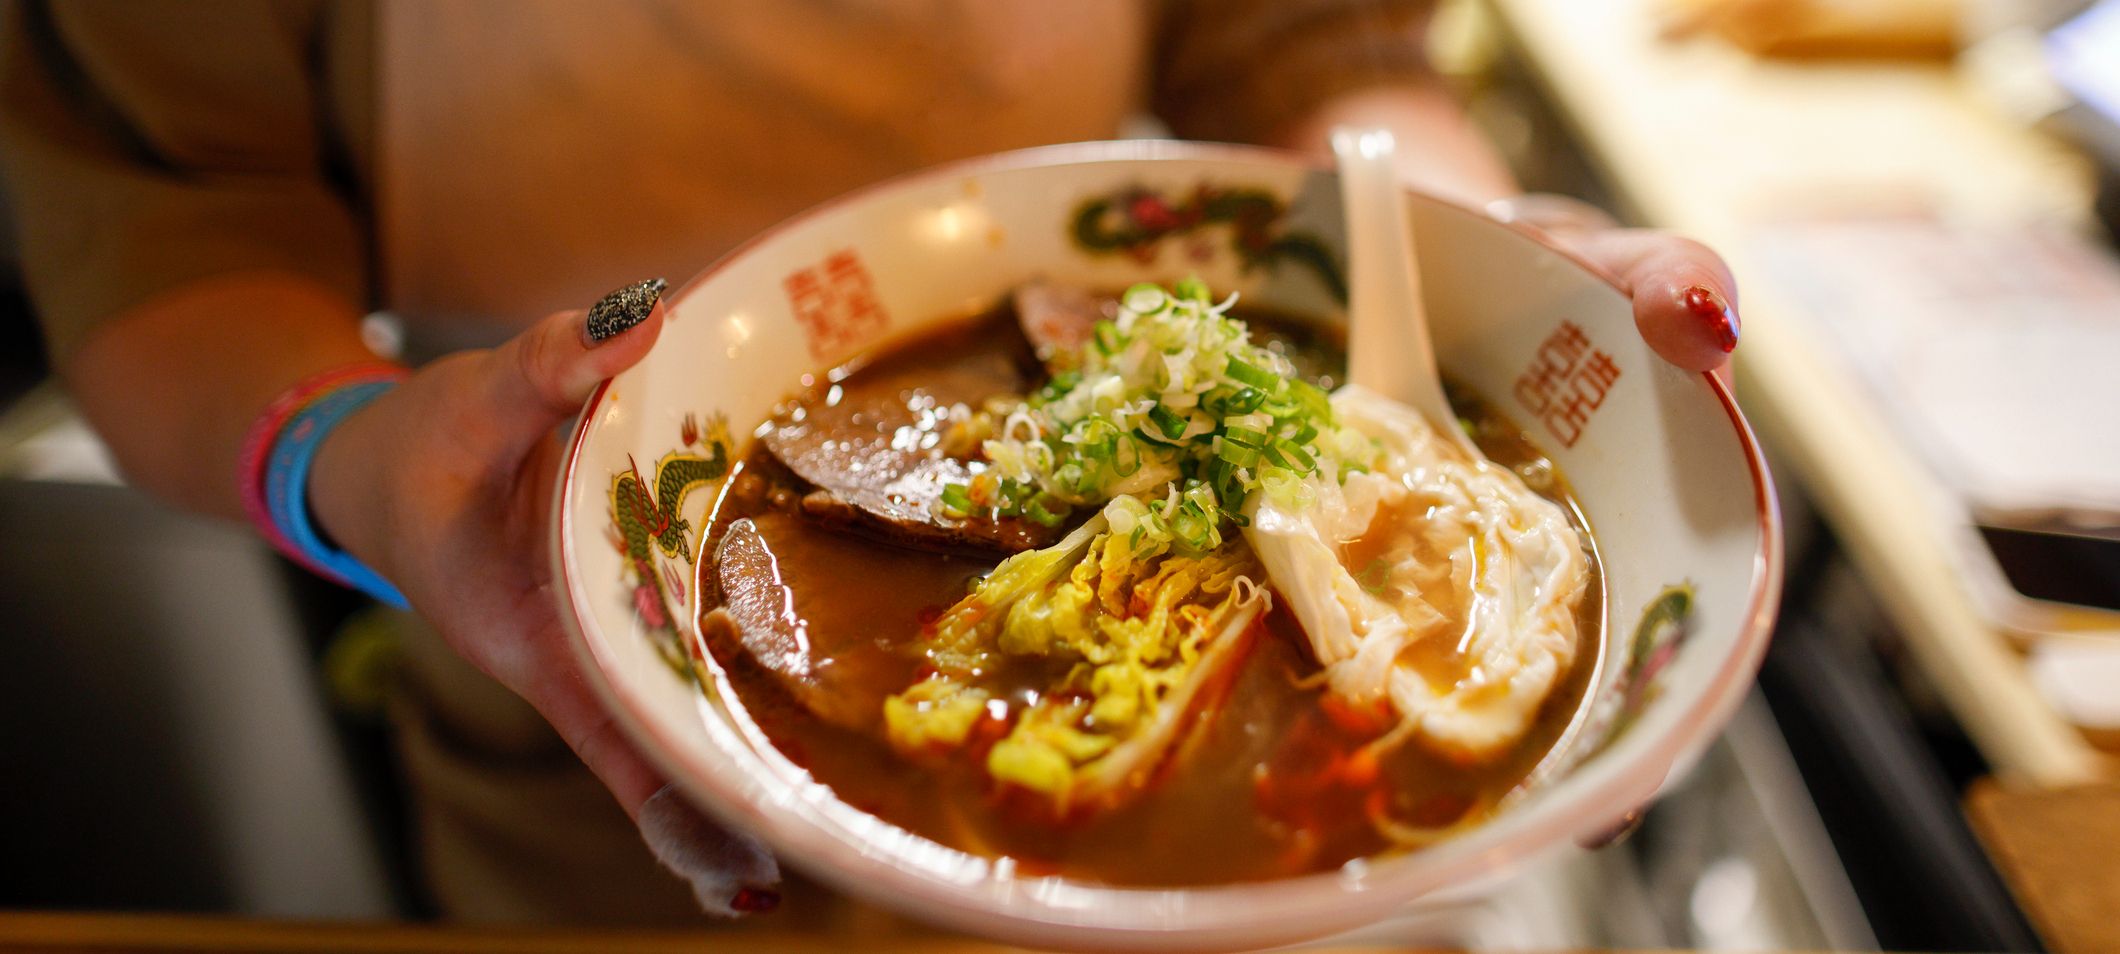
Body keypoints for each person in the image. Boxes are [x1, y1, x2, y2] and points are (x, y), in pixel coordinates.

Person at [0, 0, 1742, 928]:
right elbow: (172, 238)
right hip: (581, 751)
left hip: (1264, 884)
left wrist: (1458, 251)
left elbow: (1313, 50)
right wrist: (368, 465)